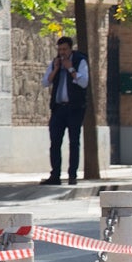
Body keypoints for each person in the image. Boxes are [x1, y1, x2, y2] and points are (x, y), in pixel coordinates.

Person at [40, 36, 89, 185]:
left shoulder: (80, 61)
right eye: (60, 49)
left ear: (70, 49)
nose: (62, 53)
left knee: (74, 142)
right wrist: (56, 69)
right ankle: (55, 175)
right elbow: (45, 82)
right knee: (55, 142)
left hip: (74, 108)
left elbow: (83, 82)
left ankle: (72, 175)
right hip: (58, 108)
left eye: (65, 49)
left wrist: (70, 68)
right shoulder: (56, 62)